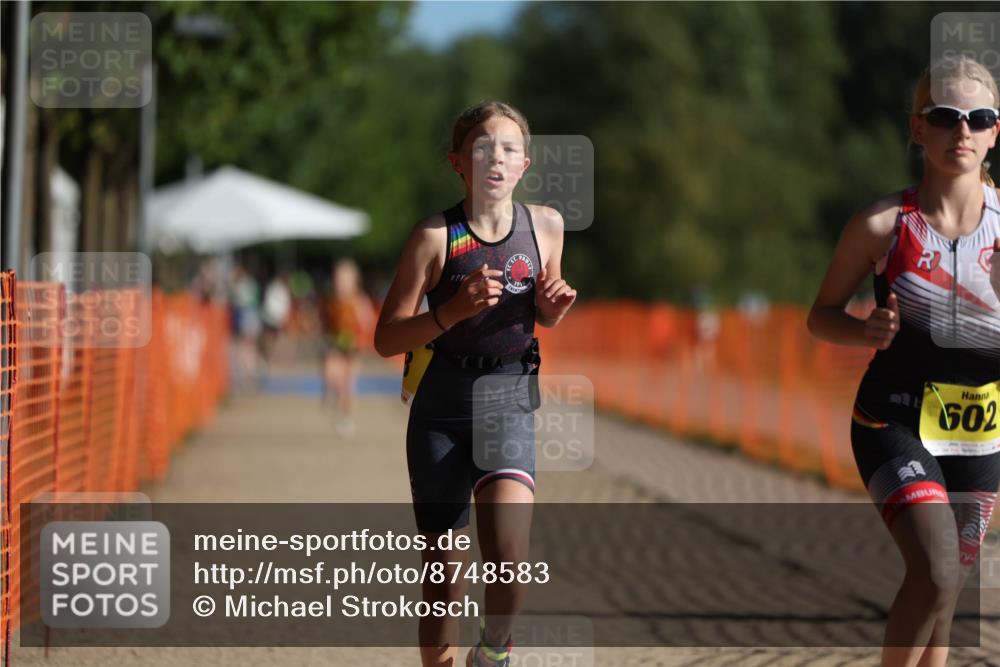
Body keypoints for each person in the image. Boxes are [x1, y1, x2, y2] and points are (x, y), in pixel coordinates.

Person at [808, 56, 1000, 667]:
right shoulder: (882, 225)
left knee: (943, 592)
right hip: (892, 419)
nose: (961, 131)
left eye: (978, 118)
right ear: (918, 129)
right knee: (937, 570)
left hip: (981, 433)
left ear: (998, 130)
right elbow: (821, 316)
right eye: (945, 117)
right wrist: (865, 329)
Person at [374, 100, 577, 667]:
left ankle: (491, 652)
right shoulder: (434, 236)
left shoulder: (547, 227)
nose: (497, 156)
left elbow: (544, 306)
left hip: (508, 398)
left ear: (524, 165)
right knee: (444, 579)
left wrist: (552, 307)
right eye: (483, 147)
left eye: (509, 148)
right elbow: (386, 338)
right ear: (458, 163)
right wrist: (452, 312)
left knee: (509, 558)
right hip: (441, 407)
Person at [322, 258, 375, 437]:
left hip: (353, 345)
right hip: (335, 343)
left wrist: (361, 336)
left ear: (354, 280)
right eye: (338, 278)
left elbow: (367, 320)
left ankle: (346, 417)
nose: (341, 283)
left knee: (349, 383)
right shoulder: (332, 299)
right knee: (331, 373)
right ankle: (332, 393)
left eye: (345, 279)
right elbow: (326, 321)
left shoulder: (359, 299)